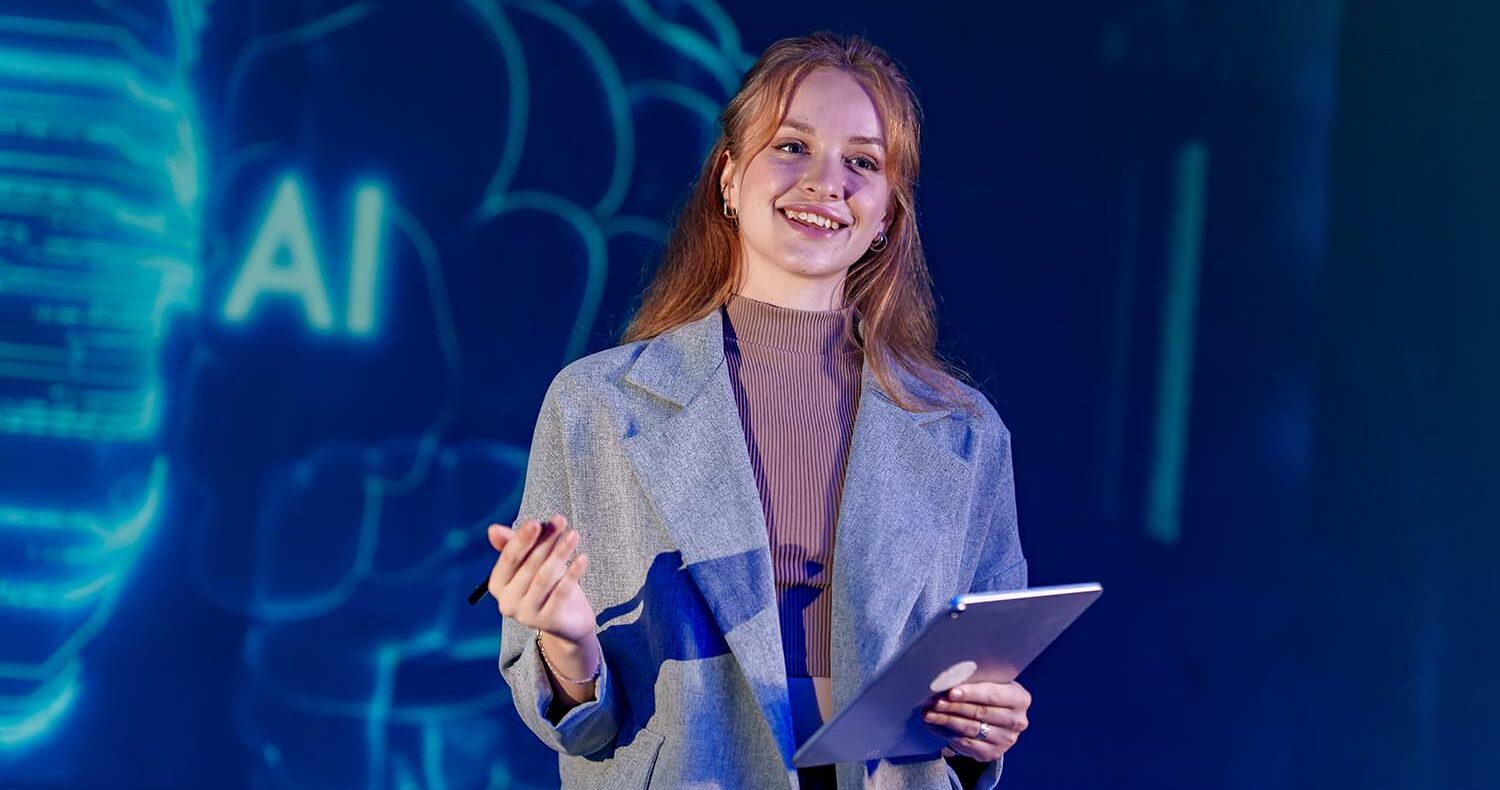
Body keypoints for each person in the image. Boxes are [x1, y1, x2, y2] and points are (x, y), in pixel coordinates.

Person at [485, 33, 1031, 790]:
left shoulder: (963, 431)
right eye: (791, 146)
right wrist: (570, 642)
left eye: (862, 163)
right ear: (730, 179)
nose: (825, 182)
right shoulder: (597, 406)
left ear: (885, 218)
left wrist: (983, 726)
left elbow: (978, 691)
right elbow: (586, 724)